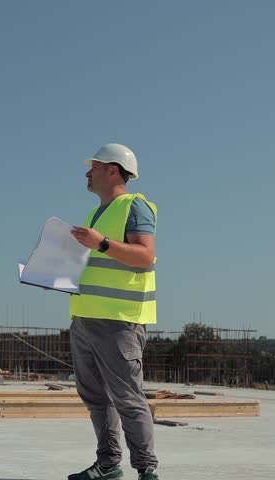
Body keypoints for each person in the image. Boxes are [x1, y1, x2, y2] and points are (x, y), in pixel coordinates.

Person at [67, 144, 159, 480]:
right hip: (85, 317)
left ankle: (147, 471)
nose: (87, 173)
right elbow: (93, 266)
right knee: (95, 397)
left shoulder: (135, 207)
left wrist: (102, 243)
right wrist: (54, 277)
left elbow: (145, 256)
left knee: (127, 397)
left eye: (94, 166)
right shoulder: (95, 216)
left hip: (120, 320)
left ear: (114, 171)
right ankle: (108, 464)